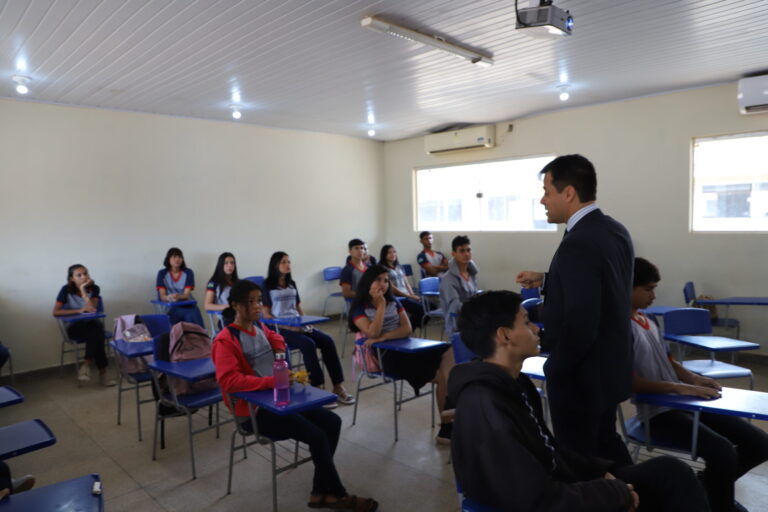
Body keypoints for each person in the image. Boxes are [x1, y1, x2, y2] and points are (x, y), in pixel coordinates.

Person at [450, 290, 710, 512]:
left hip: (557, 484)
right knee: (660, 489)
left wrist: (598, 472)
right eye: (527, 322)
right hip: (543, 500)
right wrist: (613, 493)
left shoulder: (515, 383)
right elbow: (535, 498)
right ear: (505, 336)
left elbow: (549, 448)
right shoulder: (486, 405)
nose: (536, 329)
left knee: (670, 472)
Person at [212, 280, 378, 512]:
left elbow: (276, 338)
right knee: (317, 436)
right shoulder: (225, 340)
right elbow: (230, 381)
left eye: (259, 300)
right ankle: (338, 495)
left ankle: (320, 492)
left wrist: (279, 355)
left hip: (278, 399)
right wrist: (273, 380)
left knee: (333, 421)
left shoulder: (258, 326)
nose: (257, 306)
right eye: (250, 302)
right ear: (235, 306)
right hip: (254, 412)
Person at [516, 154, 634, 466]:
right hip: (609, 367)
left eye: (547, 191)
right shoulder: (614, 230)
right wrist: (548, 279)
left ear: (568, 193)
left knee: (579, 459)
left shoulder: (578, 242)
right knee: (605, 444)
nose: (543, 200)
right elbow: (603, 290)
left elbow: (581, 322)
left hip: (581, 375)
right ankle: (637, 494)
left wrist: (554, 368)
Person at [631, 257, 768, 512]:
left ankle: (707, 487)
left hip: (682, 403)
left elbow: (668, 360)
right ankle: (720, 504)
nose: (653, 295)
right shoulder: (619, 328)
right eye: (647, 289)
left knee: (760, 443)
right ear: (626, 287)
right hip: (657, 413)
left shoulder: (648, 320)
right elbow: (632, 383)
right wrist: (682, 388)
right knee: (723, 451)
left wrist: (692, 379)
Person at [349, 265, 455, 444]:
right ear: (368, 282)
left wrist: (385, 336)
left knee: (450, 350)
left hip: (407, 346)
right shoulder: (359, 308)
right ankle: (448, 426)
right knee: (443, 377)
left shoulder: (394, 301)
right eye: (378, 280)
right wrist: (381, 305)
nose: (383, 284)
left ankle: (449, 421)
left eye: (386, 280)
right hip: (387, 356)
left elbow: (406, 329)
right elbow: (372, 333)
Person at [262, 251, 354, 406]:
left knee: (327, 340)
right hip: (281, 329)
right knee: (308, 344)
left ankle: (338, 387)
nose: (288, 265)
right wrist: (288, 326)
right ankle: (317, 389)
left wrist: (305, 322)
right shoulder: (267, 285)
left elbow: (298, 308)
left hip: (299, 325)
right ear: (275, 265)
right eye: (284, 262)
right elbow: (266, 315)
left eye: (289, 261)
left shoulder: (292, 284)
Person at [53, 264, 115, 386]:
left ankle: (86, 364)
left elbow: (92, 309)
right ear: (71, 278)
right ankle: (102, 374)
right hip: (75, 327)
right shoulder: (65, 290)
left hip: (92, 325)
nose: (84, 276)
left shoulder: (94, 288)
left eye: (85, 273)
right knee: (98, 333)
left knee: (96, 331)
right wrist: (78, 311)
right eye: (79, 275)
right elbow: (56, 311)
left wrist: (82, 290)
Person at [156, 247, 205, 327]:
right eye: (174, 257)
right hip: (171, 307)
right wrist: (169, 298)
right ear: (168, 259)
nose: (177, 259)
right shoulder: (162, 273)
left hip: (187, 305)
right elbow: (162, 296)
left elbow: (186, 295)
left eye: (179, 257)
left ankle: (200, 336)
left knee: (193, 312)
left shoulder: (188, 272)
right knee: (188, 315)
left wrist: (179, 296)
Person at [439, 235, 478, 335]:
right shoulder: (448, 279)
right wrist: (478, 309)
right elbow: (455, 306)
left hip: (473, 320)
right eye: (462, 251)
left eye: (468, 250)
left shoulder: (471, 274)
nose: (466, 254)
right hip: (457, 325)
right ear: (453, 253)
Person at [379, 244, 425, 329]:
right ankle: (409, 329)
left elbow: (406, 282)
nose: (393, 254)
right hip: (396, 297)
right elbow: (392, 288)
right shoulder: (382, 268)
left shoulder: (399, 266)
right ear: (384, 255)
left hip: (407, 295)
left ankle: (409, 327)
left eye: (394, 252)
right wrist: (409, 296)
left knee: (431, 306)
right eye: (389, 253)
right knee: (421, 309)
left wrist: (412, 295)